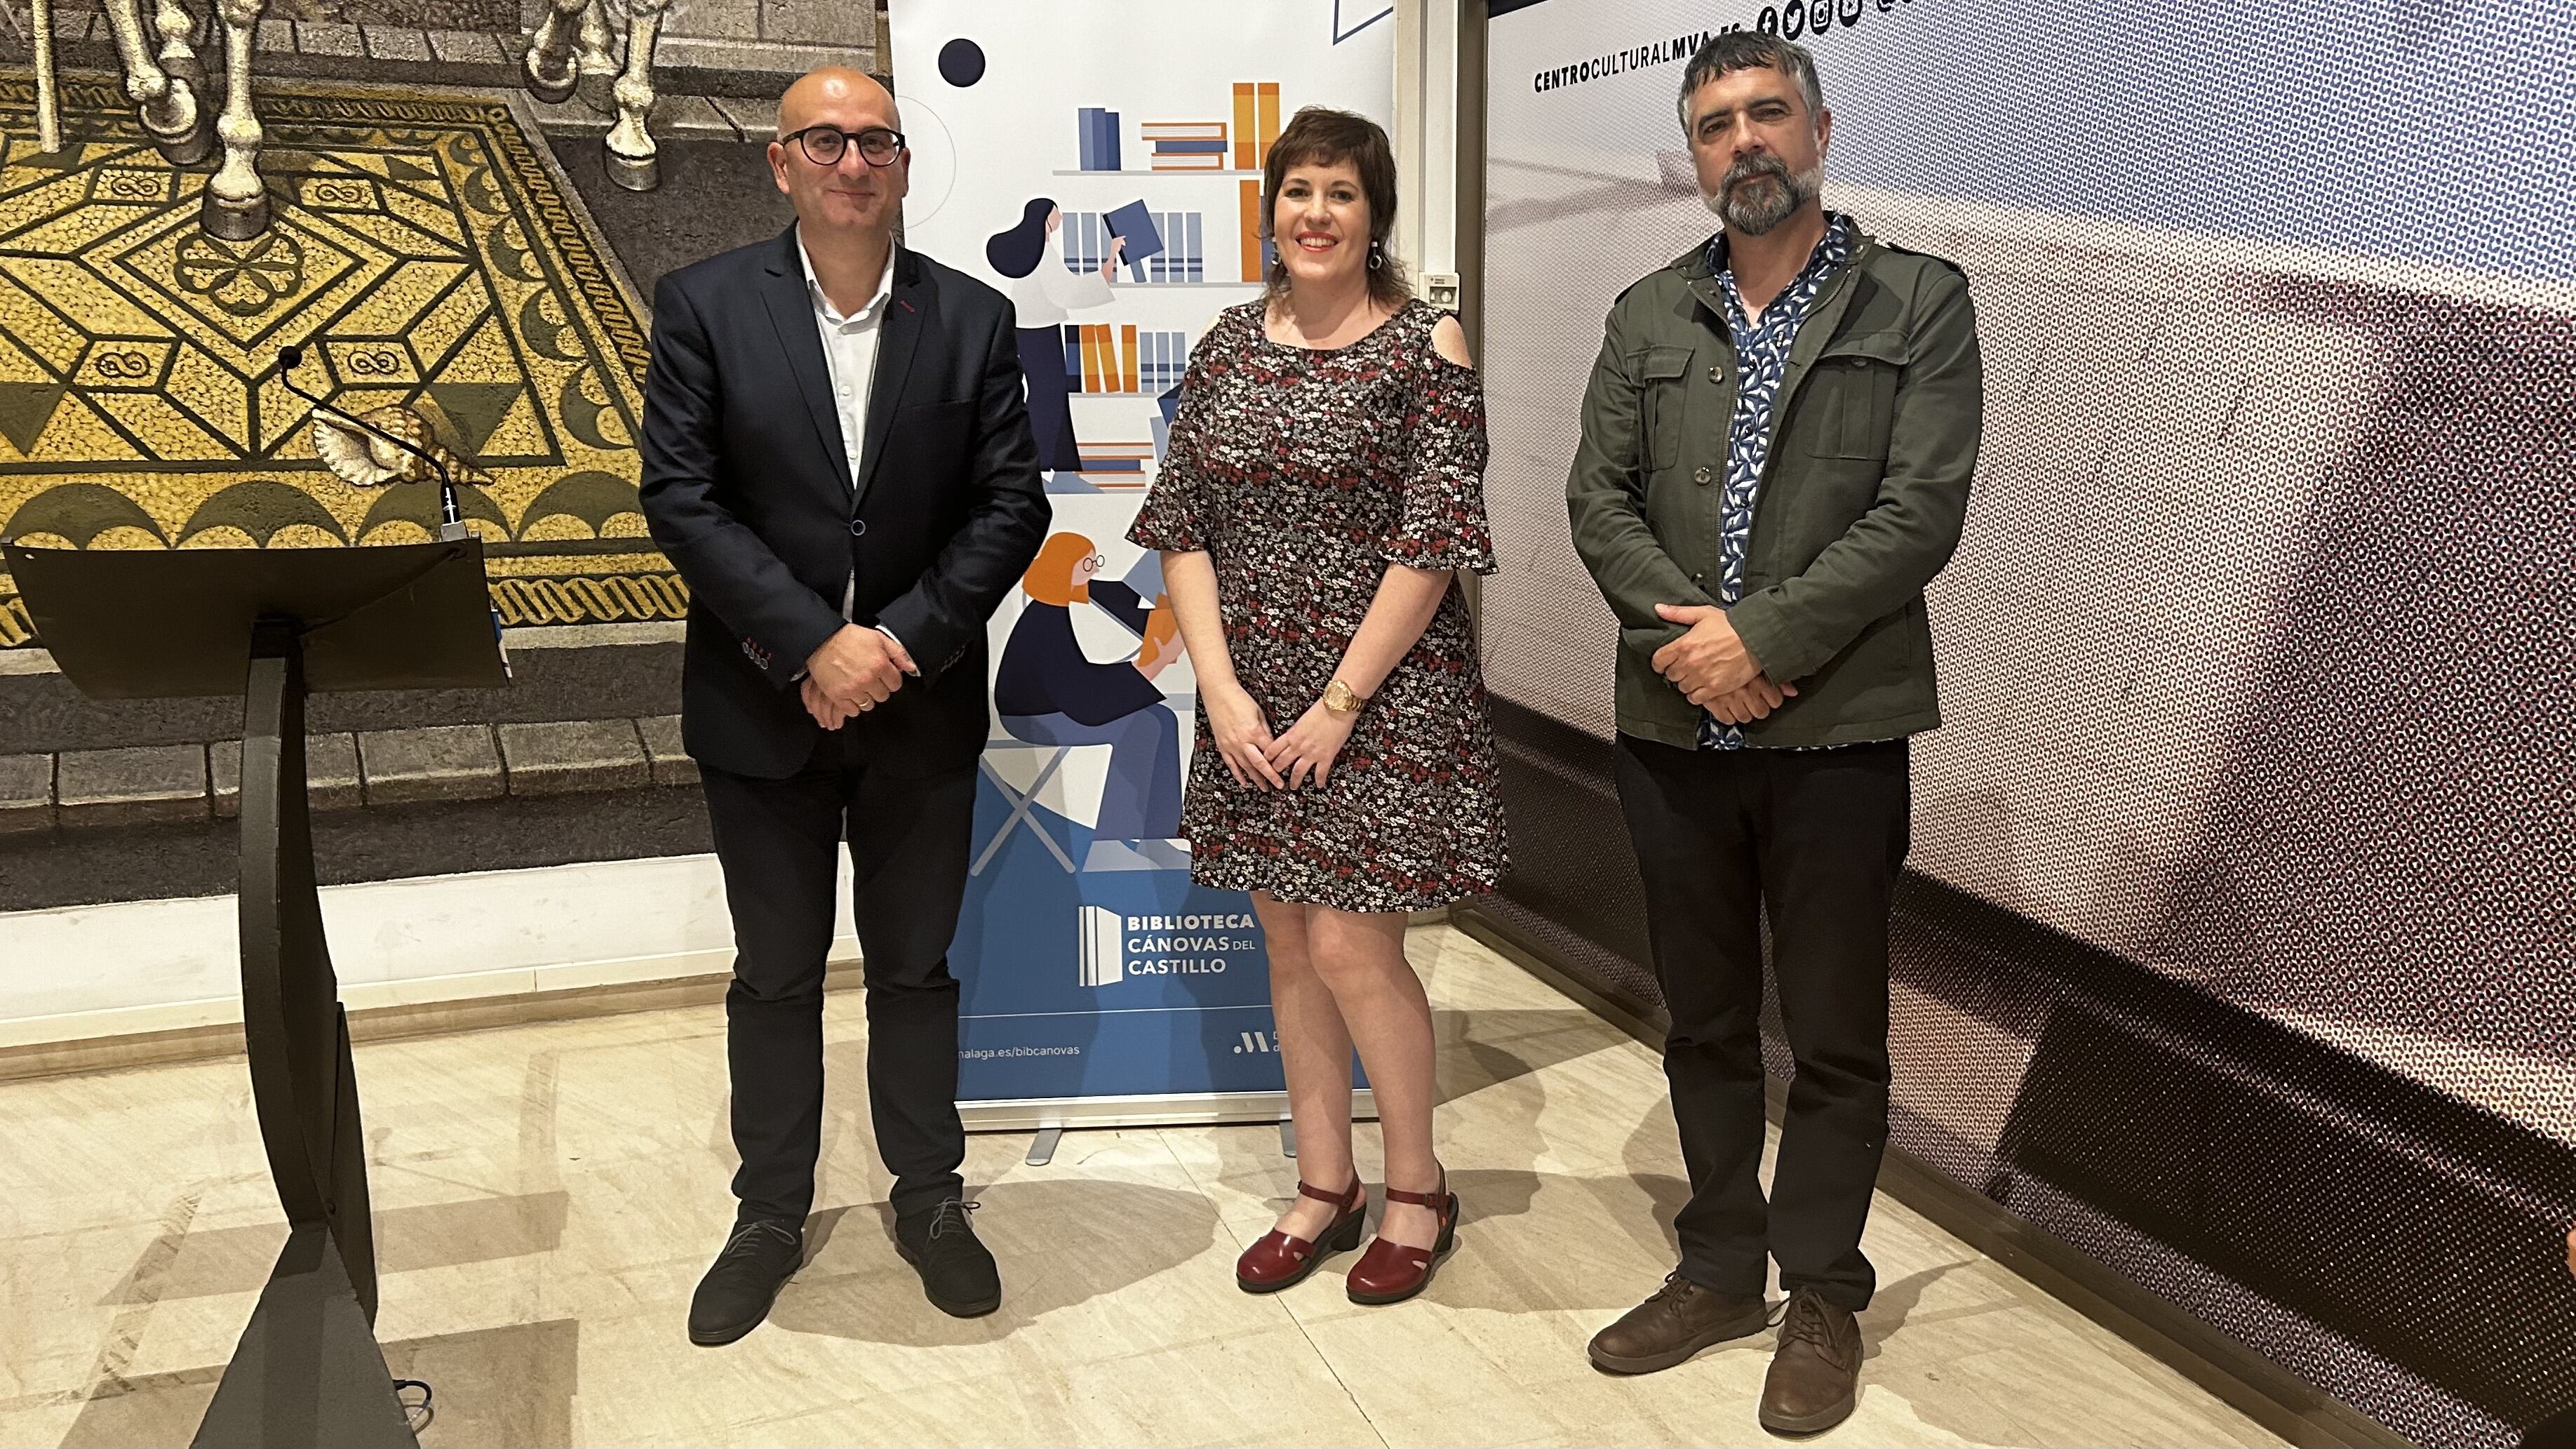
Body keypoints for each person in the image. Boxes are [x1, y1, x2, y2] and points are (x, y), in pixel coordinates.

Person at [1563, 33, 1980, 1435]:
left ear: (1815, 130)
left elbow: (1918, 514)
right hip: (1672, 734)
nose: (1742, 141)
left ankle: (1823, 1290)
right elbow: (1596, 502)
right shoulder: (1646, 315)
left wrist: (1767, 642)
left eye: (1765, 115)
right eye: (1713, 124)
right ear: (1693, 157)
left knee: (1840, 1037)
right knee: (1707, 1023)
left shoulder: (1918, 301)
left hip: (1839, 736)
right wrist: (1697, 652)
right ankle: (1722, 1266)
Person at [637, 65, 1049, 1344]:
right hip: (761, 708)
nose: (853, 161)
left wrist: (900, 645)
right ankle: (769, 1211)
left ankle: (928, 1198)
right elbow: (681, 498)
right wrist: (814, 644)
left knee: (916, 970)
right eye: (826, 140)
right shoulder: (703, 306)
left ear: (904, 165)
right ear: (781, 163)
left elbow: (1010, 506)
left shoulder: (972, 318)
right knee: (773, 974)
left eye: (877, 140)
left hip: (918, 714)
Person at [1129, 106, 1508, 1306]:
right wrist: (1224, 690)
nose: (1316, 213)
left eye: (1340, 193)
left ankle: (1417, 1189)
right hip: (1252, 701)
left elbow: (1434, 540)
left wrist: (1340, 700)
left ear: (1374, 214)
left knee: (1352, 943)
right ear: (1271, 209)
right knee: (1285, 941)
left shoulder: (1426, 348)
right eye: (1297, 191)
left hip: (1381, 699)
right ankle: (1321, 1181)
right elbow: (1178, 527)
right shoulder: (1230, 344)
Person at [993, 531, 1188, 868]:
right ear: (1066, 567)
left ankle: (1155, 840)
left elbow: (1076, 679)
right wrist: (1151, 665)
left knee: (1162, 718)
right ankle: (1111, 846)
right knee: (1139, 725)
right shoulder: (1045, 619)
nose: (1094, 572)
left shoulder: (1052, 612)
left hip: (1051, 704)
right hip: (1031, 717)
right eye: (1089, 563)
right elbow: (1082, 700)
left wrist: (1141, 668)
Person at [986, 199, 1125, 478]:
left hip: (1033, 328)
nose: (1061, 216)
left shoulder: (1032, 249)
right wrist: (1110, 260)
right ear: (1048, 217)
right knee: (1049, 392)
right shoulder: (1042, 252)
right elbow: (1067, 293)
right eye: (1057, 211)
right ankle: (1035, 461)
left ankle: (1060, 462)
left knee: (1051, 390)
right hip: (1039, 330)